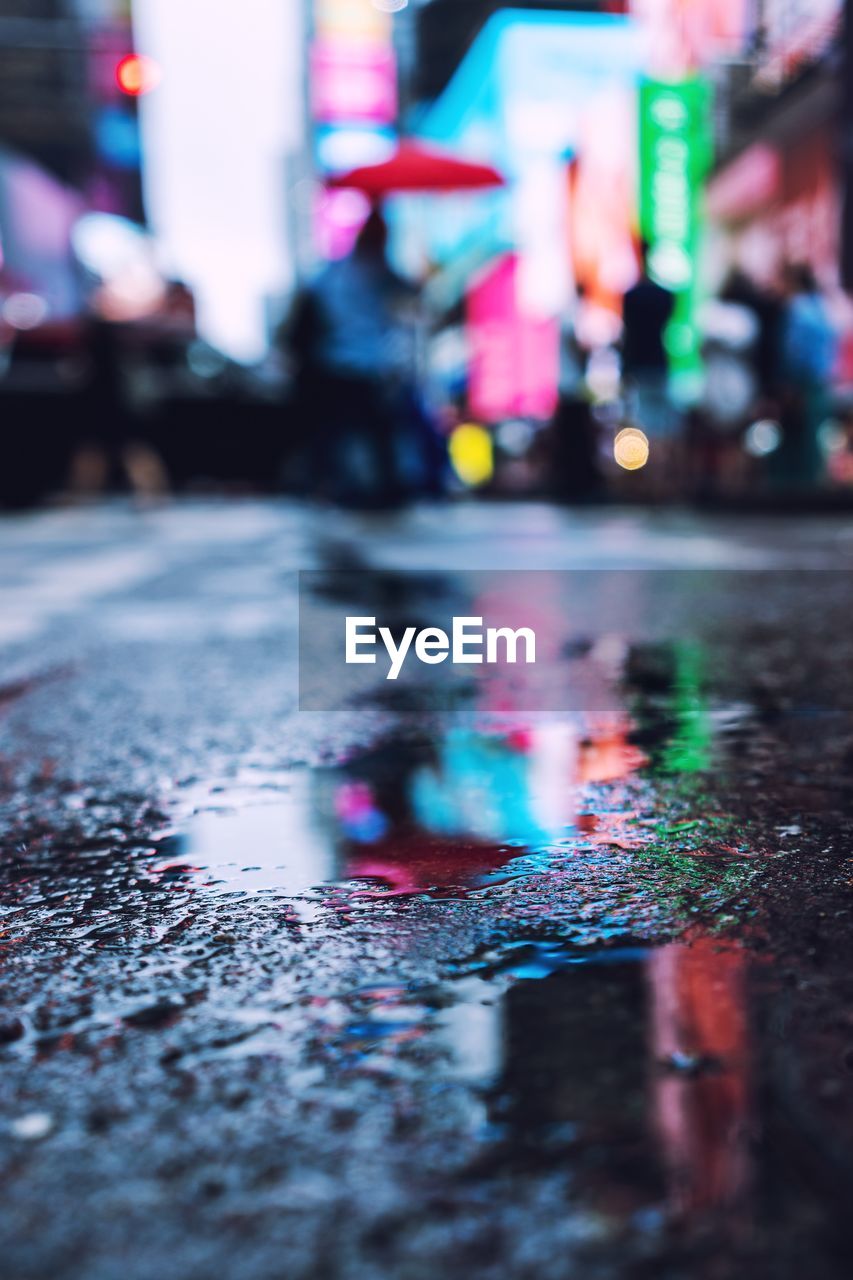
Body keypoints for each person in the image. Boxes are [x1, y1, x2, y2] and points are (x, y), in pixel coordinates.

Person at [284, 207, 417, 507]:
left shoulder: (335, 272)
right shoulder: (377, 273)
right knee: (367, 432)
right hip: (358, 366)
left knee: (350, 432)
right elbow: (412, 296)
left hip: (342, 364)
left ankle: (349, 487)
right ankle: (367, 489)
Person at [773, 262, 837, 490]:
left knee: (797, 435)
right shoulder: (820, 307)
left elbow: (793, 349)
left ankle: (795, 485)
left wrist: (787, 382)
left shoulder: (796, 308)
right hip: (820, 379)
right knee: (814, 434)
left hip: (800, 380)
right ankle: (813, 481)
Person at [621, 240, 676, 443]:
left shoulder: (631, 296)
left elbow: (628, 333)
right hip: (658, 361)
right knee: (661, 422)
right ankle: (659, 467)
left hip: (638, 363)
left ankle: (647, 470)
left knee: (640, 421)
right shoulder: (664, 296)